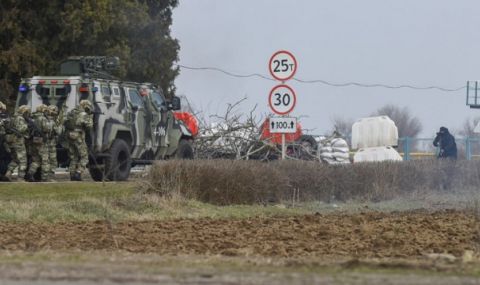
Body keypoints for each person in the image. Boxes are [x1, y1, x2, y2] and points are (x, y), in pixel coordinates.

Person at [65, 100, 93, 181]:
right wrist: (90, 116)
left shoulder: (72, 112)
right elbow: (89, 126)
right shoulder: (83, 114)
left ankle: (72, 175)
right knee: (84, 157)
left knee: (74, 157)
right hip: (78, 137)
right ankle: (78, 172)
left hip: (70, 136)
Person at [26, 104, 53, 182]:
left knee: (36, 160)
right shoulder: (43, 118)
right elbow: (47, 129)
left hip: (33, 141)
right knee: (45, 160)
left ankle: (30, 174)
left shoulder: (32, 117)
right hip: (41, 141)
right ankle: (45, 178)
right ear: (43, 110)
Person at [4, 105, 30, 181]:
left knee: (15, 160)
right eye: (27, 112)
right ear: (24, 112)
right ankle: (20, 178)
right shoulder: (20, 118)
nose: (28, 114)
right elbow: (20, 129)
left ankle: (8, 174)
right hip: (18, 142)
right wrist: (27, 125)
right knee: (23, 161)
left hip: (12, 142)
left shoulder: (13, 117)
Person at [46, 105, 62, 180]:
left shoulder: (43, 119)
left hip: (44, 143)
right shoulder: (52, 121)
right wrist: (61, 126)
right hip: (51, 143)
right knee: (52, 161)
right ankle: (50, 177)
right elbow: (58, 132)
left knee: (45, 160)